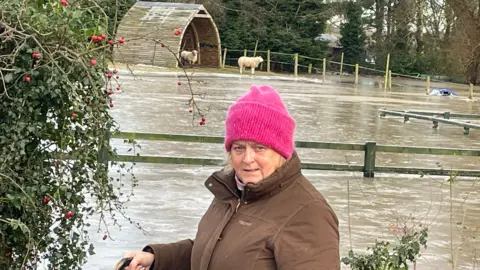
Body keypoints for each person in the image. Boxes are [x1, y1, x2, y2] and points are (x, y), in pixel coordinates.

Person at [120, 85, 340, 270]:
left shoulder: (309, 213)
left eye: (260, 147)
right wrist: (158, 259)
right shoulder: (233, 191)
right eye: (238, 147)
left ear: (281, 150)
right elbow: (218, 251)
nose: (247, 159)